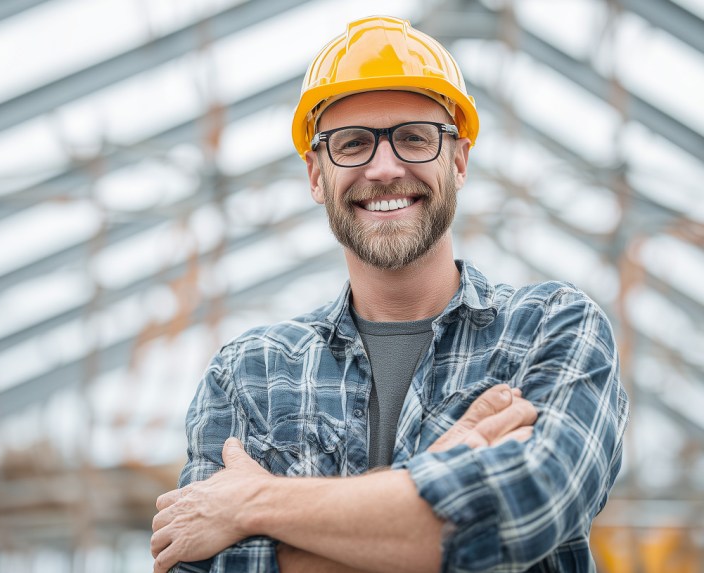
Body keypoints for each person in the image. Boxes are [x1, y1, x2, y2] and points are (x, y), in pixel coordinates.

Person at [149, 15, 629, 573]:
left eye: (414, 138)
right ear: (315, 175)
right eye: (352, 144)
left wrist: (255, 503)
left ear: (458, 161)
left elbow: (523, 513)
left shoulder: (551, 329)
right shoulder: (249, 374)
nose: (383, 168)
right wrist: (429, 501)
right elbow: (201, 561)